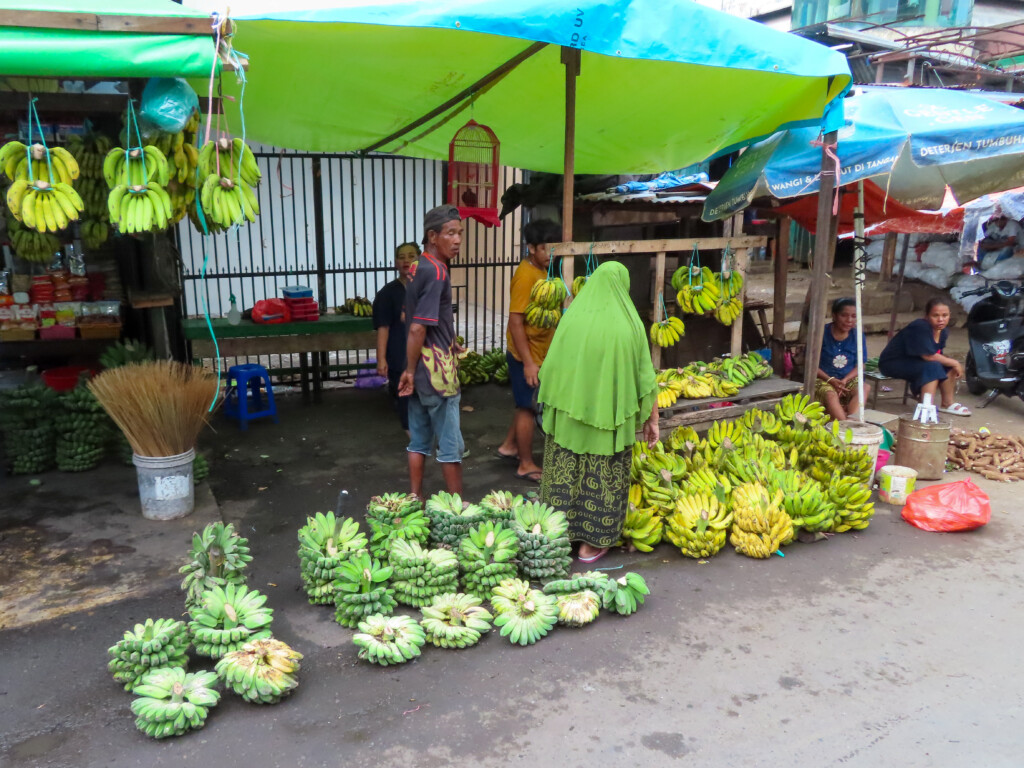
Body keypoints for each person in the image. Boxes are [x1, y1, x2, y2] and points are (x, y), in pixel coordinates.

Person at [537, 261, 660, 564]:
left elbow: (549, 369)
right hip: (608, 423)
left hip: (568, 418)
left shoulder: (571, 319)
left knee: (565, 473)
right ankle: (590, 546)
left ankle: (556, 535)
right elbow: (646, 379)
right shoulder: (629, 325)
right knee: (601, 475)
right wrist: (652, 419)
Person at [398, 206, 465, 498]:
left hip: (418, 371)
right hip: (437, 374)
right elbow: (416, 328)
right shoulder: (437, 272)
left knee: (418, 440)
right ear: (432, 236)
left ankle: (415, 497)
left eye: (460, 233)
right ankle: (457, 507)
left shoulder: (419, 267)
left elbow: (413, 316)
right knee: (450, 444)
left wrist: (448, 339)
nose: (457, 240)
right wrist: (411, 371)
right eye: (451, 233)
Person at [496, 218, 562, 483]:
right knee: (527, 409)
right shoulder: (526, 276)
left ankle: (509, 446)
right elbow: (515, 321)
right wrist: (528, 363)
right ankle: (525, 463)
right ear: (532, 248)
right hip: (526, 355)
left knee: (525, 402)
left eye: (554, 249)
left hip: (538, 352)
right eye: (546, 249)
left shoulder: (544, 271)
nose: (551, 254)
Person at [879, 298, 972, 416]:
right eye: (935, 315)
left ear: (950, 315)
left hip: (916, 362)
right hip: (893, 363)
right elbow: (928, 356)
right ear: (927, 316)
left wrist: (951, 364)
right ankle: (926, 407)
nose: (941, 319)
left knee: (945, 365)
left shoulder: (943, 331)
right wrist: (955, 363)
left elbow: (937, 354)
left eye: (945, 315)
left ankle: (947, 404)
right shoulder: (920, 327)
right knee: (933, 366)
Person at [373, 242, 420, 434]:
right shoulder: (387, 293)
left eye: (411, 256)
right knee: (405, 400)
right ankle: (413, 440)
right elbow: (383, 328)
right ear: (395, 263)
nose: (406, 260)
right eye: (401, 257)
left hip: (425, 353)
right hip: (399, 353)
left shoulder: (426, 288)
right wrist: (381, 359)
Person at [816, 298, 869, 421]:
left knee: (864, 388)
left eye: (854, 316)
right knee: (830, 394)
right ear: (834, 316)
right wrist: (830, 380)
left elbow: (861, 365)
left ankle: (852, 421)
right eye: (844, 315)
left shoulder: (858, 336)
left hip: (847, 379)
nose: (849, 320)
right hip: (823, 379)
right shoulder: (821, 334)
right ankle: (844, 426)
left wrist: (845, 380)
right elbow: (811, 366)